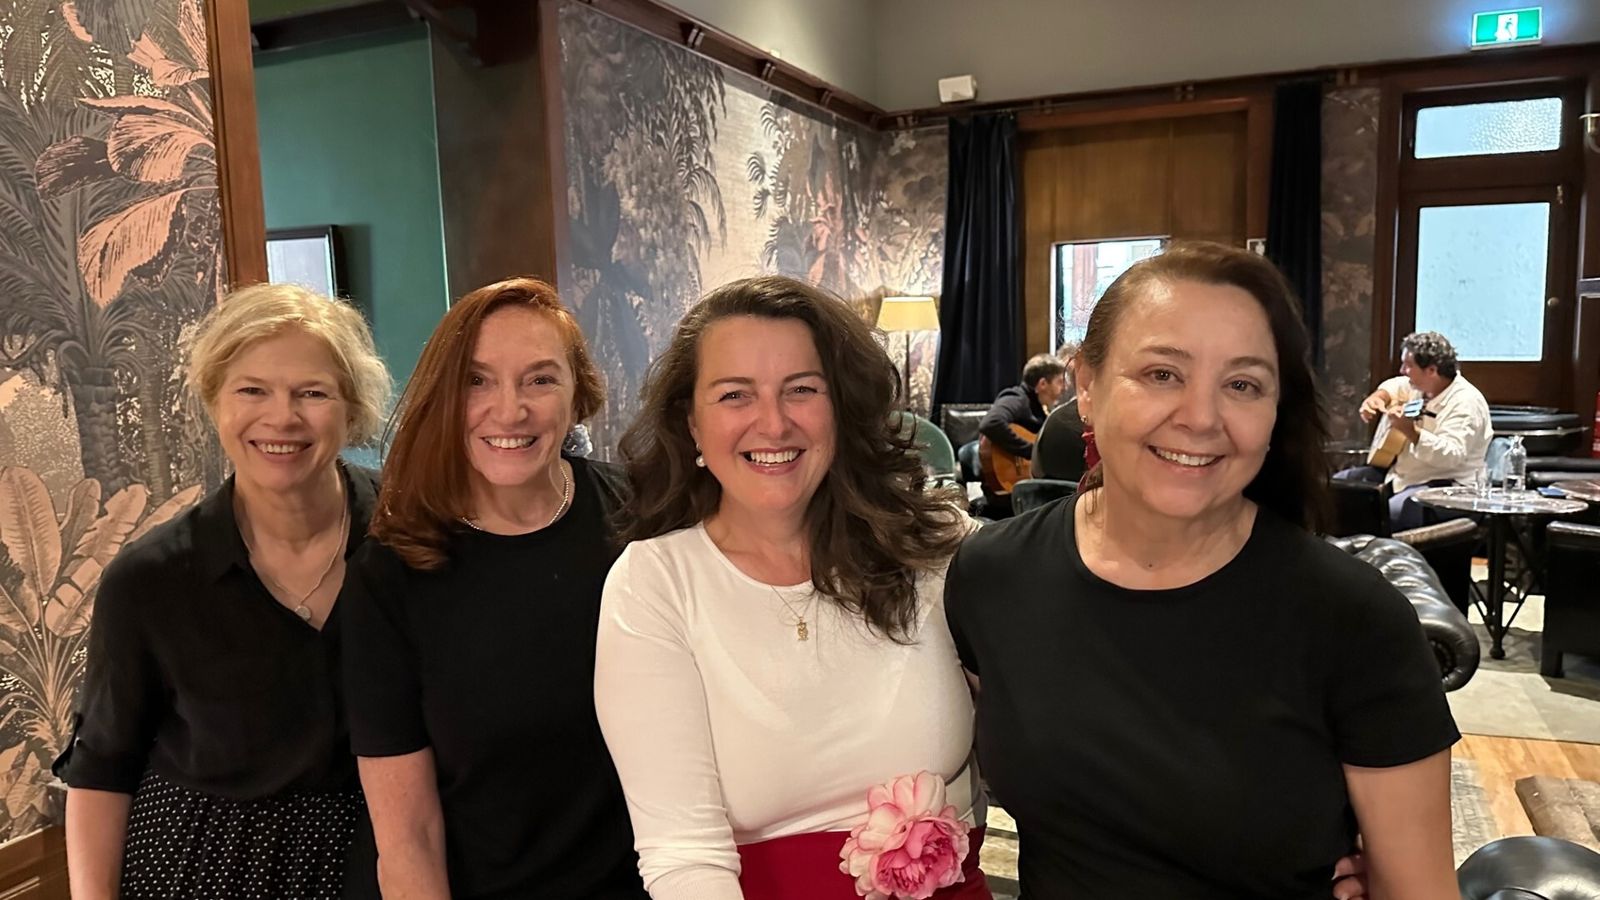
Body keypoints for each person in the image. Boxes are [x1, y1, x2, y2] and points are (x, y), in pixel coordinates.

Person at [944, 242, 1458, 899]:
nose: (1200, 417)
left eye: (1242, 385)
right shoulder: (992, 573)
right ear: (1087, 387)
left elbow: (1418, 889)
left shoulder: (1353, 618)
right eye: (1162, 374)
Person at [594, 275, 989, 900]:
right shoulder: (655, 585)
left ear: (841, 407)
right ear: (692, 423)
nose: (773, 423)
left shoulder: (933, 546)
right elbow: (683, 857)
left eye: (801, 389)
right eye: (735, 395)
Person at [56, 284, 392, 899]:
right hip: (206, 860)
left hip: (387, 850)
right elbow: (102, 766)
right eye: (251, 390)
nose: (282, 417)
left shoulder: (415, 537)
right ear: (214, 402)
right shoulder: (148, 580)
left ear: (352, 408)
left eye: (312, 393)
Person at [340, 277, 646, 899]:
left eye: (540, 379)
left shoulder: (643, 518)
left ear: (578, 394)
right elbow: (408, 840)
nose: (509, 411)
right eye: (477, 381)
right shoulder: (391, 575)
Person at [1347, 331, 1492, 528]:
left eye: (1408, 365)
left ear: (1431, 370)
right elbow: (1395, 385)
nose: (1402, 370)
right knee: (1342, 490)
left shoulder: (1466, 403)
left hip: (1449, 486)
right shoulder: (1421, 386)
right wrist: (1378, 397)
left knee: (1385, 514)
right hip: (1405, 476)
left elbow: (1451, 456)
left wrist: (1411, 432)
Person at [977, 353, 1070, 515]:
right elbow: (990, 423)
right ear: (1042, 384)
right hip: (1010, 493)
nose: (1065, 388)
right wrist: (1031, 452)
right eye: (1060, 381)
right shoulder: (1017, 398)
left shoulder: (1038, 406)